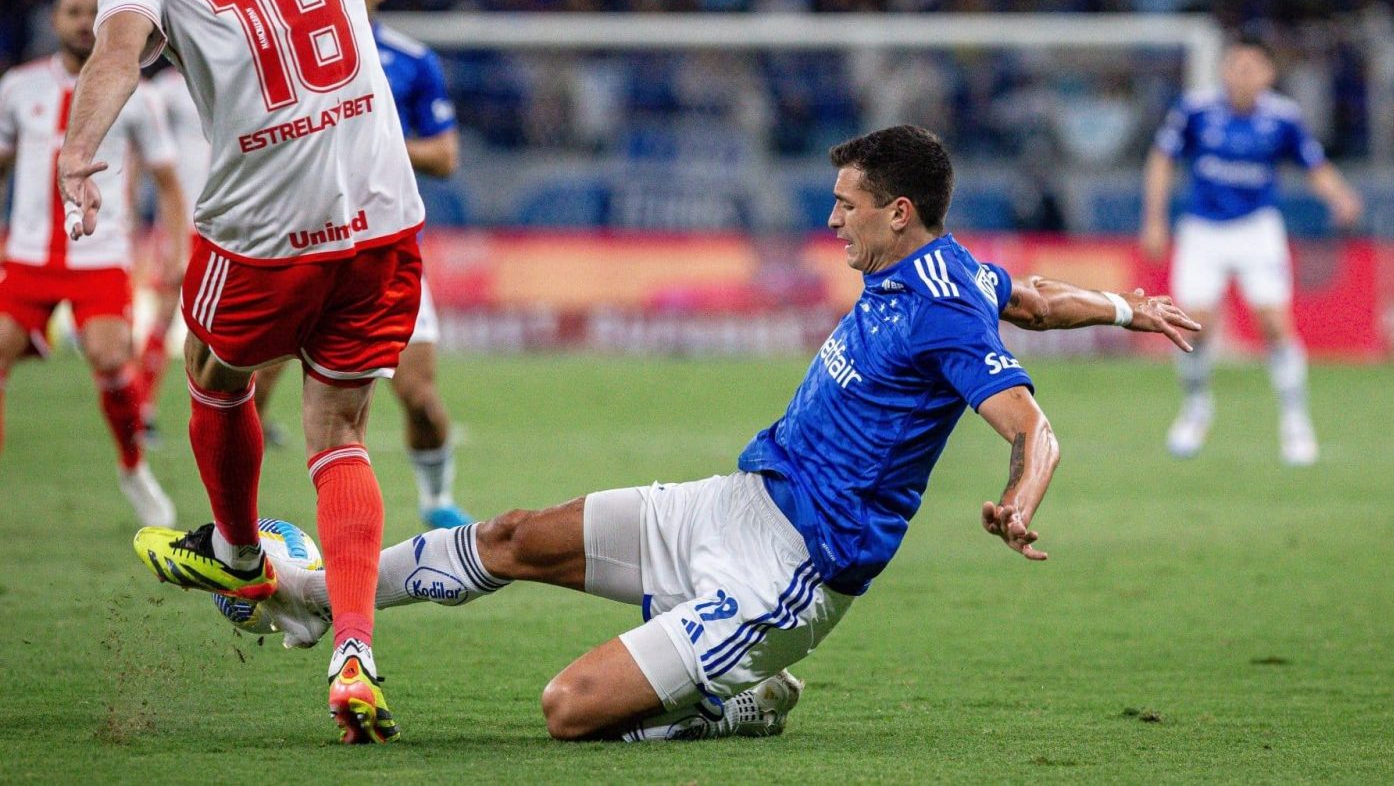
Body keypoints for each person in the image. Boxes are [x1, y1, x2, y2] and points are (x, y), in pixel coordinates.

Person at [255, 126, 1201, 742]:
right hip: (736, 500)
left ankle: (743, 699)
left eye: (847, 204)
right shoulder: (949, 268)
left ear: (898, 212)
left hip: (788, 573)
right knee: (513, 535)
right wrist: (1128, 306)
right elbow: (1034, 299)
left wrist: (1019, 499)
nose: (832, 219)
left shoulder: (945, 311)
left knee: (569, 710)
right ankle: (311, 599)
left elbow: (1034, 427)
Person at [60, 0, 467, 744]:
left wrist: (79, 151)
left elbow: (117, 55)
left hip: (265, 229)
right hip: (382, 216)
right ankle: (352, 651)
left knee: (212, 370)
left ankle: (239, 555)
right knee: (341, 430)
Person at [252, 0, 470, 529]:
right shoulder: (288, 53)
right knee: (252, 386)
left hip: (387, 247)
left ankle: (436, 501)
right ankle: (238, 523)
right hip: (302, 242)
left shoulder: (413, 60)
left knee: (420, 399)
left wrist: (373, 137)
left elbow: (445, 156)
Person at [0, 0, 185, 527]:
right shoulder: (18, 88)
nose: (83, 23)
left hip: (100, 257)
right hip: (27, 257)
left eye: (92, 13)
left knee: (109, 357)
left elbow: (168, 183)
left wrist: (176, 249)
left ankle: (133, 466)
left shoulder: (138, 96)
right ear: (55, 20)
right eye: (73, 12)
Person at [1139, 37, 1362, 466]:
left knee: (1275, 322)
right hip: (1203, 230)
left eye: (1252, 67)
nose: (1242, 75)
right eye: (1235, 66)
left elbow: (1314, 166)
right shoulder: (1195, 110)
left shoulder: (1282, 117)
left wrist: (1341, 197)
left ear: (1268, 74)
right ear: (1224, 70)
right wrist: (1154, 219)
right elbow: (1162, 160)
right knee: (1191, 326)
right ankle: (1196, 409)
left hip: (1257, 230)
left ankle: (1295, 422)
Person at [139, 62, 208, 445]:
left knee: (229, 325)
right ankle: (141, 408)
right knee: (165, 311)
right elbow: (139, 142)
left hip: (227, 223)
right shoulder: (166, 89)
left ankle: (237, 412)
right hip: (181, 222)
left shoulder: (231, 72)